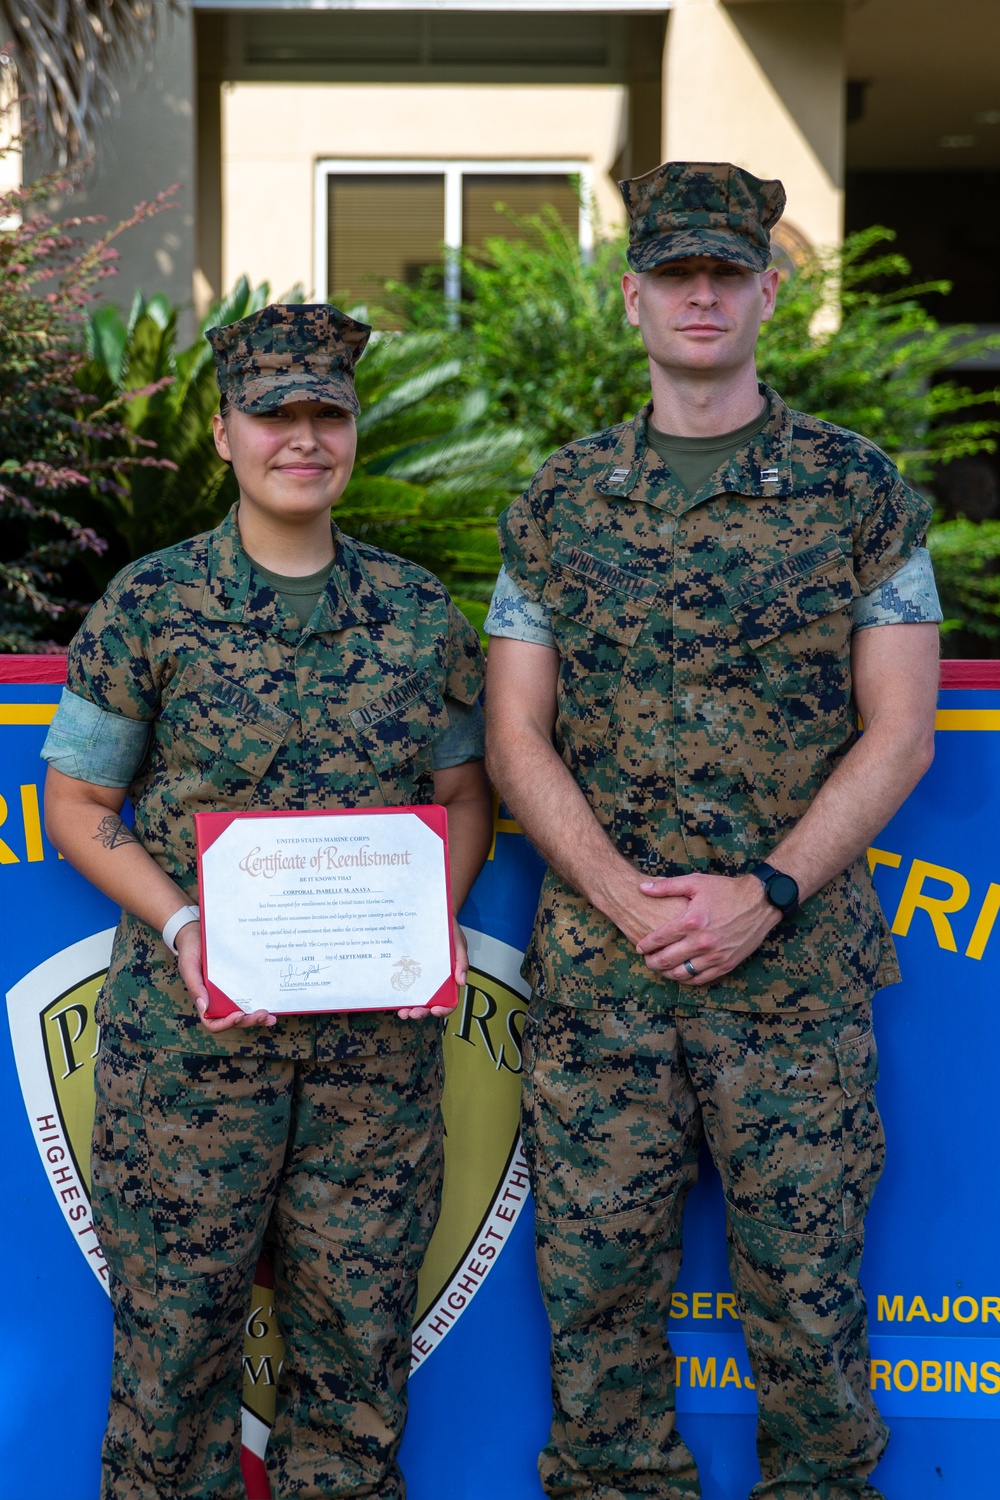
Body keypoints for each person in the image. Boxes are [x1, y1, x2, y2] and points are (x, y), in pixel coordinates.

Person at [484, 162, 941, 1500]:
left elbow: (901, 728)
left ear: (768, 292)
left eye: (725, 274)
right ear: (631, 298)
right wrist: (624, 895)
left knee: (807, 1315)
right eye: (674, 274)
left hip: (791, 985)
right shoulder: (556, 506)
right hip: (603, 985)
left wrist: (770, 891)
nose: (699, 295)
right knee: (598, 1319)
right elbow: (515, 734)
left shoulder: (862, 495)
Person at [41, 302, 492, 1500]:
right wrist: (185, 922)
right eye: (272, 413)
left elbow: (464, 796)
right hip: (194, 1059)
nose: (303, 436)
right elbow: (78, 803)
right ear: (226, 432)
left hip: (370, 1072)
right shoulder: (148, 606)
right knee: (172, 1371)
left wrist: (415, 934)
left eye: (326, 413)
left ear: (353, 432)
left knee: (354, 1374)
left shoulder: (416, 615)